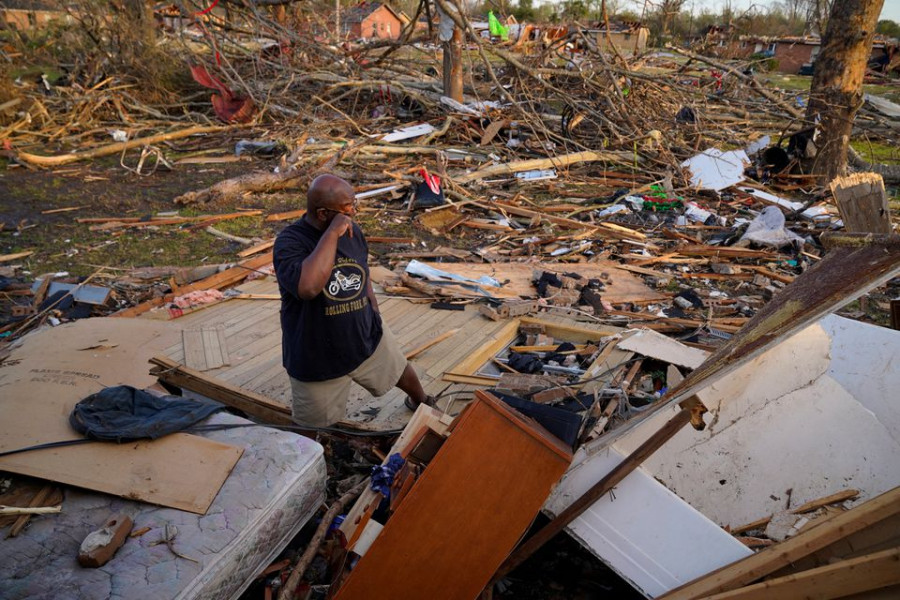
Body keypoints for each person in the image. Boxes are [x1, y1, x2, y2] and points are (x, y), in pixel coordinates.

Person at [273, 174, 433, 428]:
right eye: (348, 207)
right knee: (311, 425)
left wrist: (373, 310)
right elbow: (309, 287)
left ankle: (421, 400)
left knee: (398, 368)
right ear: (323, 214)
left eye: (353, 203)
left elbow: (361, 270)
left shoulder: (351, 230)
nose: (354, 211)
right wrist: (332, 234)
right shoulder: (290, 243)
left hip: (363, 332)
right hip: (317, 354)